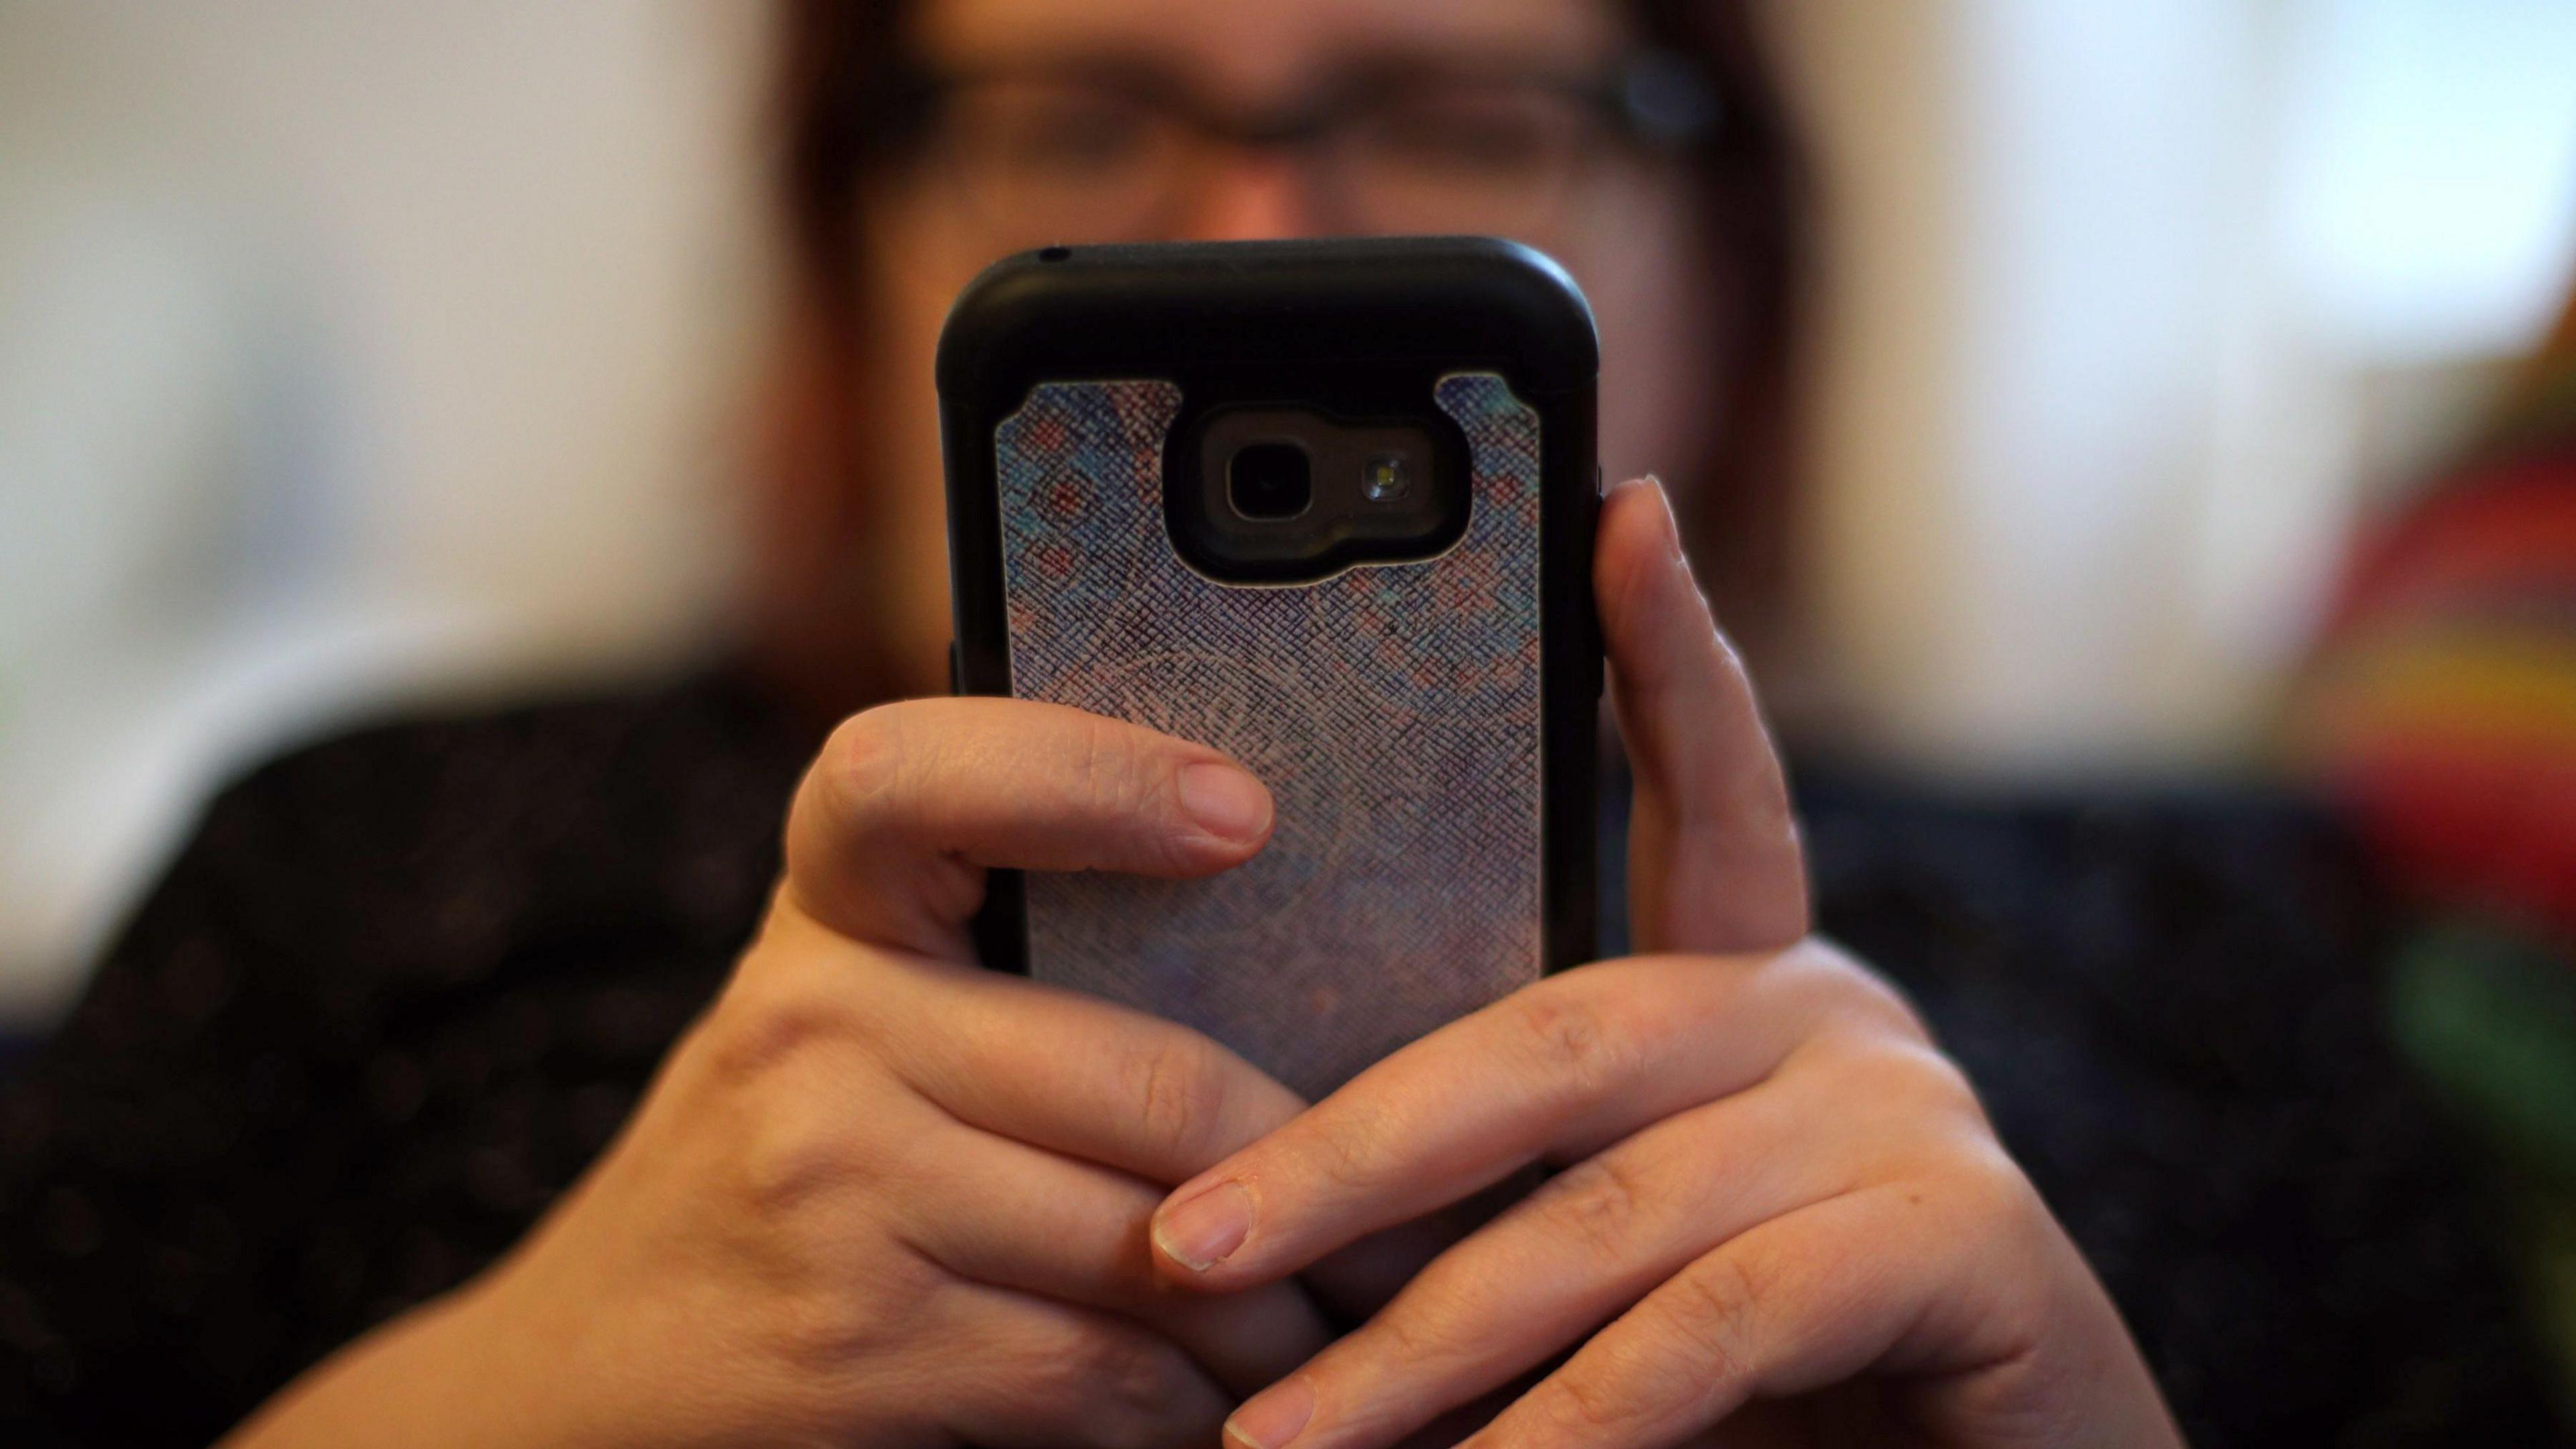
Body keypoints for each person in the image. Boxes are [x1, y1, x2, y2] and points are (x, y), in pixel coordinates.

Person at [0, 1, 2550, 1445]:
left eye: (1458, 114)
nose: (1259, 240)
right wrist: (488, 1405)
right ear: (850, 238)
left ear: (1733, 258)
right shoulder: (364, 856)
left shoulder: (2196, 916)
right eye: (1078, 120)